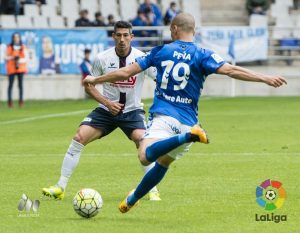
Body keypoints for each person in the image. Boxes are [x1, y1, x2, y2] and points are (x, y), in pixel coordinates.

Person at [83, 13, 287, 213]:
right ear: (194, 31)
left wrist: (95, 80)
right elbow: (231, 70)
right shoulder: (203, 54)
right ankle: (131, 200)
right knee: (163, 163)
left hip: (164, 116)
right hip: (189, 120)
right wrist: (265, 78)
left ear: (174, 29)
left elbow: (126, 71)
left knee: (146, 156)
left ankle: (186, 137)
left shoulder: (160, 51)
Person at [42, 21, 161, 201]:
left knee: (142, 141)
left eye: (125, 35)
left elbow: (160, 79)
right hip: (106, 110)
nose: (122, 39)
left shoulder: (141, 58)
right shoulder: (102, 58)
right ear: (113, 36)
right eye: (118, 35)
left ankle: (152, 189)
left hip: (132, 111)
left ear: (132, 37)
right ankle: (60, 187)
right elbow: (89, 86)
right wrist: (107, 102)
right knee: (79, 137)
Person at [6, 32, 27, 108]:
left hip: (20, 68)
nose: (16, 38)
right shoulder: (9, 47)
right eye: (14, 37)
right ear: (13, 38)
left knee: (20, 85)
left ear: (19, 38)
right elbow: (6, 57)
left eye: (17, 37)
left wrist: (19, 60)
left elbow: (25, 58)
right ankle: (10, 101)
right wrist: (13, 58)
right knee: (10, 85)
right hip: (11, 68)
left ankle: (21, 101)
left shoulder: (22, 47)